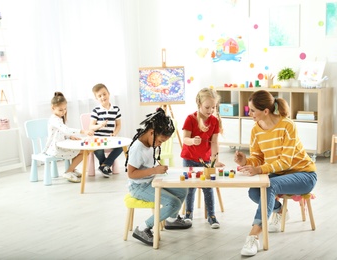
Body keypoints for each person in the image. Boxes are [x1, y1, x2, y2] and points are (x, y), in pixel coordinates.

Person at [235, 90, 317, 256]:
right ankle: (279, 211)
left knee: (270, 185)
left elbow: (286, 162)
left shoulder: (287, 126)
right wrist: (245, 162)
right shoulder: (256, 130)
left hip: (304, 175)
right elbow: (258, 158)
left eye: (252, 110)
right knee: (253, 191)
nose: (249, 113)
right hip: (280, 174)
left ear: (265, 111)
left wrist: (259, 169)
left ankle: (254, 237)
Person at [125, 107, 192, 246]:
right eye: (160, 141)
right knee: (174, 203)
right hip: (138, 186)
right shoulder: (138, 148)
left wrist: (157, 166)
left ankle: (172, 220)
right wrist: (154, 170)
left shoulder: (149, 143)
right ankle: (142, 228)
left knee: (182, 190)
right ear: (151, 133)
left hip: (150, 181)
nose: (160, 144)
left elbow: (148, 162)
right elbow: (131, 174)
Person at [180, 87, 225, 229]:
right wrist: (192, 141)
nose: (210, 110)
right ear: (199, 104)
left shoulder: (214, 121)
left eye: (213, 107)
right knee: (190, 187)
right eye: (207, 107)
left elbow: (214, 143)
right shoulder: (190, 119)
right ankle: (188, 214)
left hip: (206, 161)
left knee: (208, 186)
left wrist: (215, 161)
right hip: (190, 159)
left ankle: (211, 215)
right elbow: (185, 139)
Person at [44, 92, 94, 183]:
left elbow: (61, 132)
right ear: (53, 108)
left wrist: (70, 136)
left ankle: (72, 169)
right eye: (60, 110)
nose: (63, 112)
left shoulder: (58, 118)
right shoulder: (54, 119)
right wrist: (82, 131)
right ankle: (69, 171)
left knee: (83, 150)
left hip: (60, 145)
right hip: (56, 148)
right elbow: (65, 129)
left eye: (65, 109)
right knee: (85, 151)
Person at [89, 83, 123, 178]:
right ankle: (105, 166)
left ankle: (104, 165)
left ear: (108, 93)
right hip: (98, 139)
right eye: (99, 96)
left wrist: (114, 133)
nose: (103, 97)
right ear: (96, 98)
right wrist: (100, 125)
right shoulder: (96, 110)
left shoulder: (116, 109)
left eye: (104, 94)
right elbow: (91, 127)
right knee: (98, 150)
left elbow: (119, 125)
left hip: (109, 138)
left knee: (120, 147)